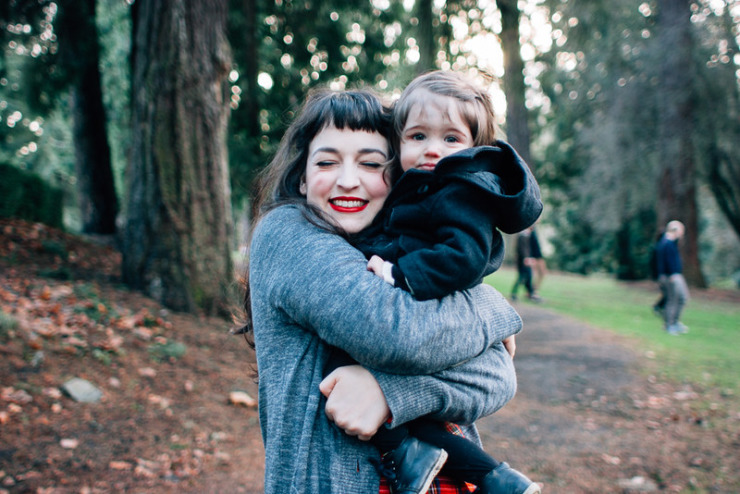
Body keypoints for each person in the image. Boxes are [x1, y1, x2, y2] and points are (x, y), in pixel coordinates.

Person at [241, 88, 524, 494]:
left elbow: (499, 375)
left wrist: (390, 392)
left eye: (371, 163)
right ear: (302, 177)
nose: (348, 180)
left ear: (397, 176)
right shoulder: (287, 234)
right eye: (326, 162)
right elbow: (396, 334)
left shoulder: (405, 250)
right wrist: (493, 308)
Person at [329, 71, 541, 494]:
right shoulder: (424, 188)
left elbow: (463, 257)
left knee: (338, 365)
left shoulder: (458, 191)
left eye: (450, 139)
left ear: (473, 147)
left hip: (426, 300)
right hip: (426, 301)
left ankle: (421, 455)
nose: (432, 150)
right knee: (419, 417)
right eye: (418, 136)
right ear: (399, 142)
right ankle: (494, 479)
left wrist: (399, 274)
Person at [655, 220, 690, 335]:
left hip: (674, 275)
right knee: (672, 300)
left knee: (681, 298)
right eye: (681, 231)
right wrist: (670, 274)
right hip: (671, 277)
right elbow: (666, 262)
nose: (682, 234)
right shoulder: (666, 243)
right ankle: (669, 325)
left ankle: (674, 322)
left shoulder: (671, 243)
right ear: (675, 230)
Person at [510, 227, 541, 302]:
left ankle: (531, 293)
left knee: (528, 277)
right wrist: (526, 258)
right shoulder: (523, 235)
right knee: (522, 277)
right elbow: (523, 249)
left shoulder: (526, 234)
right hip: (523, 261)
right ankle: (514, 294)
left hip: (525, 260)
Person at [529, 227, 547, 291]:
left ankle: (533, 290)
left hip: (539, 255)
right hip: (534, 256)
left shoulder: (535, 230)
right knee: (535, 274)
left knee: (542, 273)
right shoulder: (529, 230)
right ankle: (532, 292)